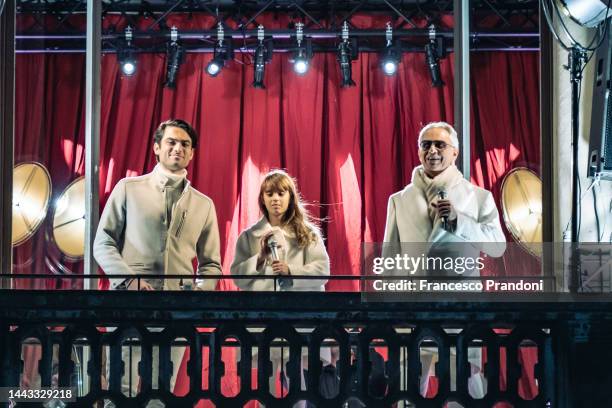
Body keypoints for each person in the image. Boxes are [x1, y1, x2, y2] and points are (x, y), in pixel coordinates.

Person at [94, 119, 222, 403]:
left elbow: (211, 264)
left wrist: (198, 295)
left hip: (176, 311)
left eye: (185, 144)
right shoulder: (128, 188)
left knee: (161, 393)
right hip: (128, 304)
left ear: (192, 153)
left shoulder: (204, 204)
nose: (178, 148)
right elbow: (103, 243)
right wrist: (130, 280)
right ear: (156, 148)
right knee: (120, 390)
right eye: (171, 142)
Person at [382, 121, 506, 404]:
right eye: (426, 145)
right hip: (413, 304)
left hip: (460, 304)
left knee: (465, 380)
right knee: (408, 382)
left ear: (455, 153)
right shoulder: (399, 201)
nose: (433, 151)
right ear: (418, 152)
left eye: (440, 145)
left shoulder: (478, 198)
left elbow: (498, 247)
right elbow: (389, 259)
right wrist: (387, 306)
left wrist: (459, 222)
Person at [231, 170, 331, 404]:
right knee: (266, 388)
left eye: (281, 193)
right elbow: (237, 276)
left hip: (300, 320)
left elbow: (322, 270)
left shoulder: (308, 233)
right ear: (262, 199)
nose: (275, 198)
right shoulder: (249, 236)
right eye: (270, 193)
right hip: (263, 320)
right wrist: (259, 258)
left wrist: (291, 271)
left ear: (290, 197)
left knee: (298, 383)